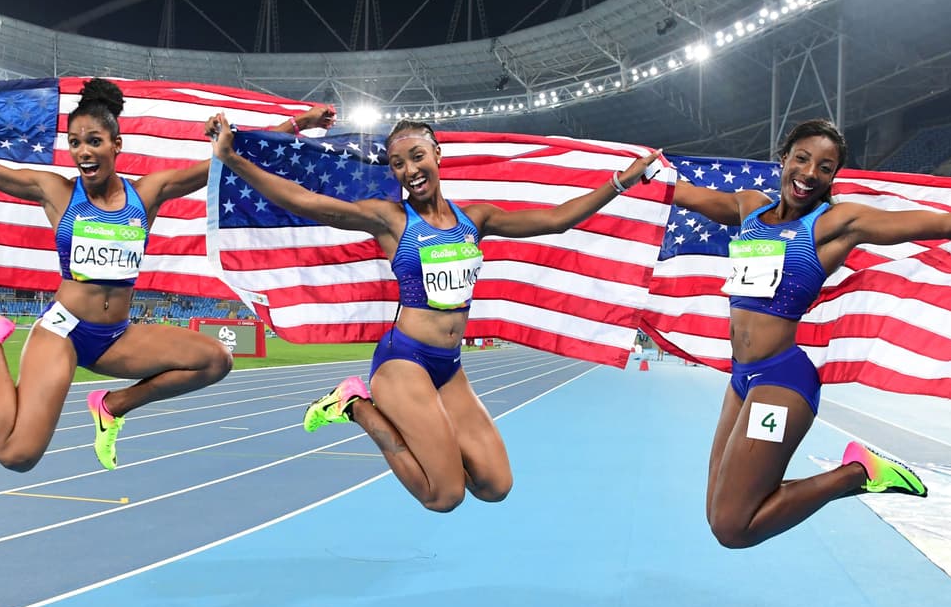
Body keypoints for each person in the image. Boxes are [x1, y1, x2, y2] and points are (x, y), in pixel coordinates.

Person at [672, 118, 951, 549]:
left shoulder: (837, 223)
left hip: (781, 383)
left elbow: (944, 226)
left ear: (833, 178)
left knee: (733, 528)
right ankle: (846, 473)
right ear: (783, 158)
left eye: (825, 168)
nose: (809, 174)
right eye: (802, 159)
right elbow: (683, 194)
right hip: (741, 379)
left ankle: (858, 473)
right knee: (716, 511)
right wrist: (625, 176)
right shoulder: (750, 207)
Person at [0, 79, 332, 472]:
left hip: (115, 337)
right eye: (74, 143)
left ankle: (113, 407)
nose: (83, 152)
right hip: (64, 332)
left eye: (93, 141)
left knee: (215, 362)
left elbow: (223, 158)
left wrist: (298, 124)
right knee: (15, 454)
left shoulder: (148, 193)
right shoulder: (56, 192)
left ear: (115, 145)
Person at [209, 114, 661, 511]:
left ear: (438, 155)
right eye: (398, 165)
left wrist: (621, 182)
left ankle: (383, 417)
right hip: (404, 360)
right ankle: (353, 404)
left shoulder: (476, 220)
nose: (409, 170)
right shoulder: (391, 220)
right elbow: (305, 202)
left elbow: (556, 219)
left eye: (417, 157)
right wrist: (232, 159)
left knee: (495, 485)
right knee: (443, 496)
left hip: (449, 366)